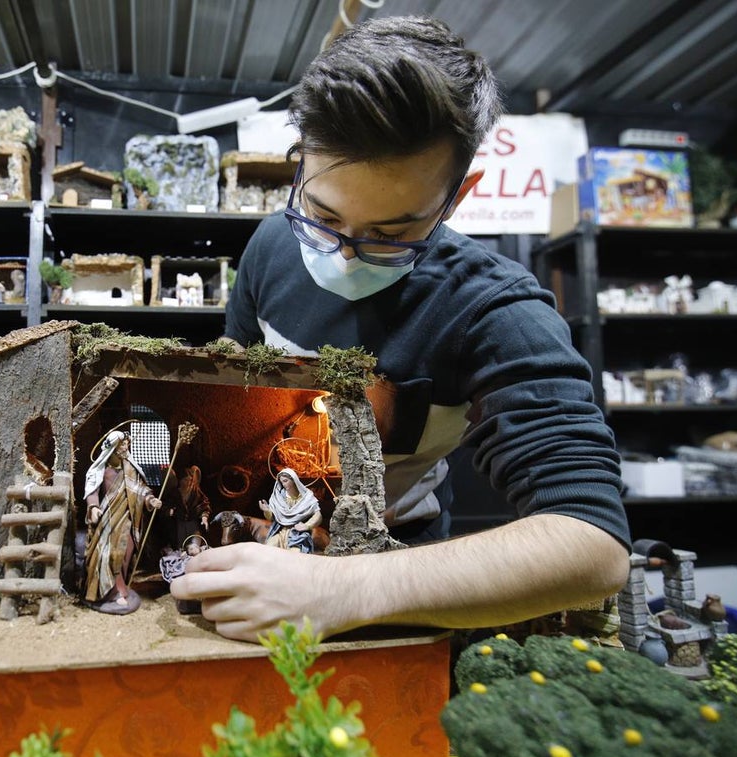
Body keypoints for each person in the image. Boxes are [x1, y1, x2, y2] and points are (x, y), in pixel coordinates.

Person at [170, 15, 631, 643]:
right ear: (300, 157)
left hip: (405, 574)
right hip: (266, 541)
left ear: (456, 196)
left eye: (390, 235)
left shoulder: (496, 310)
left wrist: (341, 590)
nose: (347, 254)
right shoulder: (270, 248)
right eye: (323, 214)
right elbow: (234, 408)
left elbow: (592, 547)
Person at [82, 429, 163, 614]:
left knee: (126, 552)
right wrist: (93, 507)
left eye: (127, 443)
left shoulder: (130, 468)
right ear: (114, 447)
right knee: (110, 554)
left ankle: (122, 587)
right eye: (122, 444)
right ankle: (112, 592)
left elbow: (140, 489)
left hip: (128, 517)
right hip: (109, 518)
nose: (126, 446)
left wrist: (150, 500)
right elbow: (91, 490)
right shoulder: (101, 469)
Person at [259, 468, 322, 553]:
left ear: (293, 480)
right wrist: (267, 510)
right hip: (281, 532)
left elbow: (318, 515)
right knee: (269, 548)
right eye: (281, 482)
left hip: (297, 534)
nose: (283, 484)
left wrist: (307, 526)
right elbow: (272, 518)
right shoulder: (279, 497)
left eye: (285, 481)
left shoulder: (306, 497)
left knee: (295, 553)